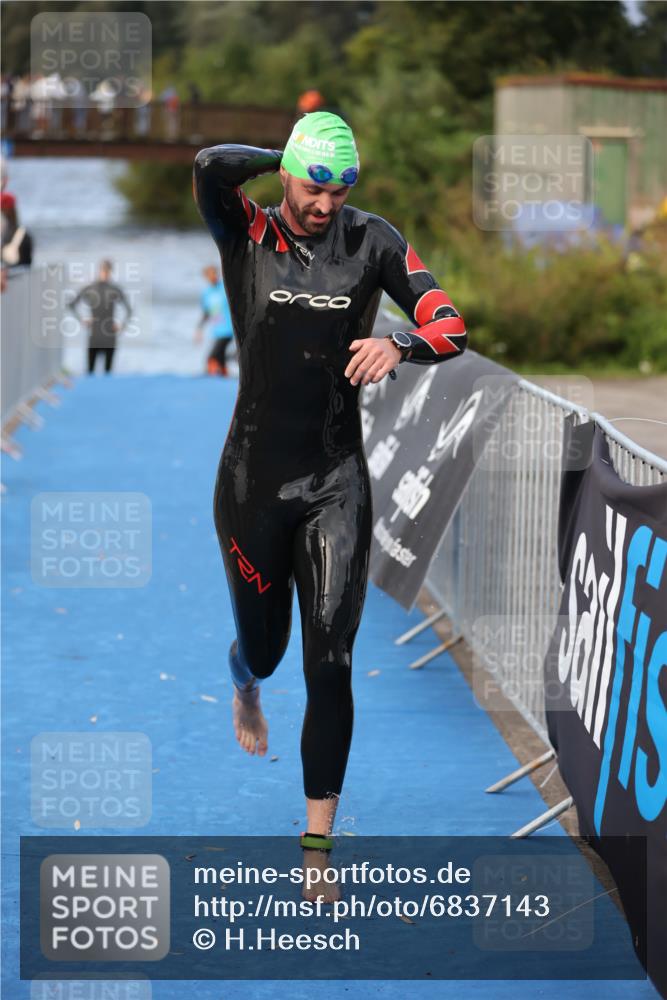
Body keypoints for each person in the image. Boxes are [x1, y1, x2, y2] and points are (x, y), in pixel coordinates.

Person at [193, 112, 466, 901]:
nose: (326, 202)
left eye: (342, 186)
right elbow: (211, 162)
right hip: (251, 485)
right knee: (270, 652)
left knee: (331, 661)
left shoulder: (372, 240)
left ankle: (316, 843)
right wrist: (294, 150)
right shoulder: (245, 232)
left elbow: (449, 323)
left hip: (335, 482)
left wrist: (402, 345)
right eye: (315, 184)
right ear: (287, 177)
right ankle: (242, 677)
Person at [67, 259, 132, 374]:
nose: (106, 273)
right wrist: (82, 320)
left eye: (107, 271)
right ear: (100, 271)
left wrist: (121, 325)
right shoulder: (91, 289)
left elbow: (129, 310)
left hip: (109, 335)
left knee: (107, 372)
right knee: (90, 372)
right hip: (95, 335)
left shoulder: (114, 289)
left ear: (110, 272)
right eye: (104, 270)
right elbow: (71, 305)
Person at [194, 265, 234, 376]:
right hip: (217, 330)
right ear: (206, 277)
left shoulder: (225, 288)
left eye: (214, 273)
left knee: (212, 357)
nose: (213, 277)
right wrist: (199, 329)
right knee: (220, 357)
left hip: (229, 329)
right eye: (210, 275)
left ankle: (209, 378)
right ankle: (225, 377)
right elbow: (206, 313)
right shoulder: (206, 293)